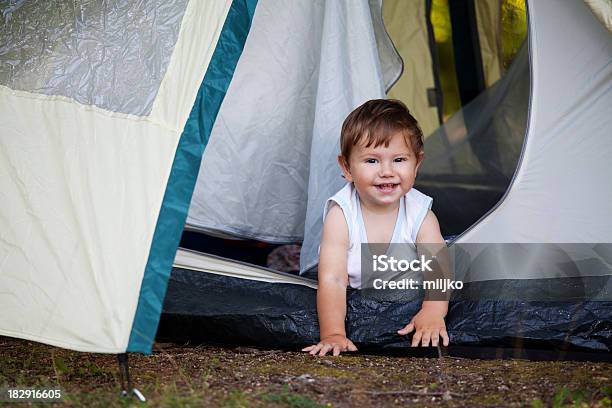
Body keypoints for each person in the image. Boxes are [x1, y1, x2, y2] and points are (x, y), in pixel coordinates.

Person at [302, 99, 449, 357]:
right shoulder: (341, 215)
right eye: (372, 161)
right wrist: (333, 333)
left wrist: (433, 311)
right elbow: (333, 279)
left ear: (417, 163)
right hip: (365, 295)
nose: (386, 171)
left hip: (408, 294)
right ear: (347, 168)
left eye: (399, 159)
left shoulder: (420, 214)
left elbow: (439, 268)